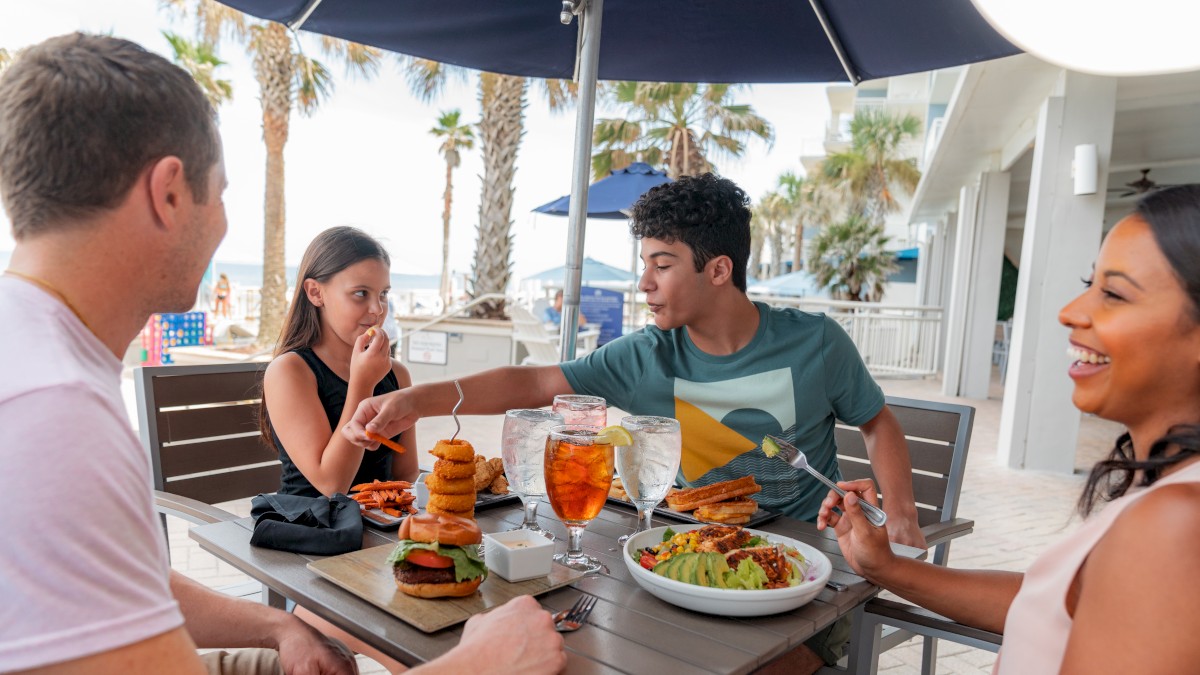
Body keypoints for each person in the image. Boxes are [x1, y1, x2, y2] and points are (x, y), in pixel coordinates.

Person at [0, 33, 565, 675]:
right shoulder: (52, 416)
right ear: (169, 192)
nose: (222, 222)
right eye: (221, 192)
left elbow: (126, 583)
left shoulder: (36, 363)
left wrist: (278, 628)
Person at [345, 173, 927, 671]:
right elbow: (537, 382)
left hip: (805, 580)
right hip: (683, 570)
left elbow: (877, 422)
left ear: (719, 269)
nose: (644, 283)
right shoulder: (648, 353)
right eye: (643, 264)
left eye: (662, 265)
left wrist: (900, 514)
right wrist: (416, 400)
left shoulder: (815, 343)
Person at [819, 185, 1200, 673]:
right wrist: (887, 566)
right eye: (1090, 283)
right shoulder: (1165, 494)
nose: (1071, 311)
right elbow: (1048, 604)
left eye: (1113, 293)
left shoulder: (1175, 525)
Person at [262, 226, 419, 498]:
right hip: (314, 527)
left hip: (380, 527)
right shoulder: (289, 371)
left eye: (383, 294)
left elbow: (406, 474)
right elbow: (332, 486)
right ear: (315, 293)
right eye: (361, 293)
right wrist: (363, 383)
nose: (377, 309)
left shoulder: (397, 374)